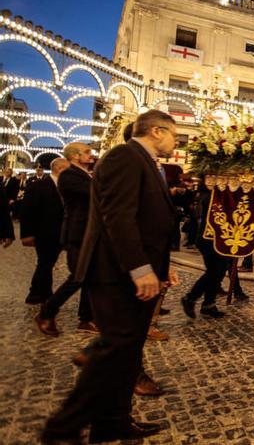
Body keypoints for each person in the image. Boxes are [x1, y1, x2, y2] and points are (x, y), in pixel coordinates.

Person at [41, 110, 180, 443]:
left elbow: (149, 220)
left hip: (133, 271)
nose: (177, 142)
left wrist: (162, 267)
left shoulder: (146, 163)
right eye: (175, 135)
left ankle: (112, 421)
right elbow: (119, 215)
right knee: (114, 348)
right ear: (158, 131)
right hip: (113, 272)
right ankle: (62, 428)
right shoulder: (125, 157)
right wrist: (140, 268)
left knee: (128, 352)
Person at [35, 143, 97, 336]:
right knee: (78, 276)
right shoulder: (69, 176)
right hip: (77, 233)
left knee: (90, 277)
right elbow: (95, 194)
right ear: (76, 156)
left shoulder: (86, 175)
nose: (91, 155)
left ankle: (86, 320)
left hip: (89, 234)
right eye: (87, 152)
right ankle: (46, 313)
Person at [20, 157, 69, 305]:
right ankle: (35, 293)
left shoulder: (66, 187)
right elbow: (27, 211)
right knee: (45, 263)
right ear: (59, 169)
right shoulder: (38, 186)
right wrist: (26, 234)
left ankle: (43, 292)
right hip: (44, 232)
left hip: (61, 232)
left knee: (47, 263)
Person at [180, 182, 227, 320]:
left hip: (216, 239)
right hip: (209, 239)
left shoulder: (214, 195)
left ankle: (208, 304)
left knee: (218, 271)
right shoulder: (209, 196)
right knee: (215, 271)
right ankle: (191, 297)